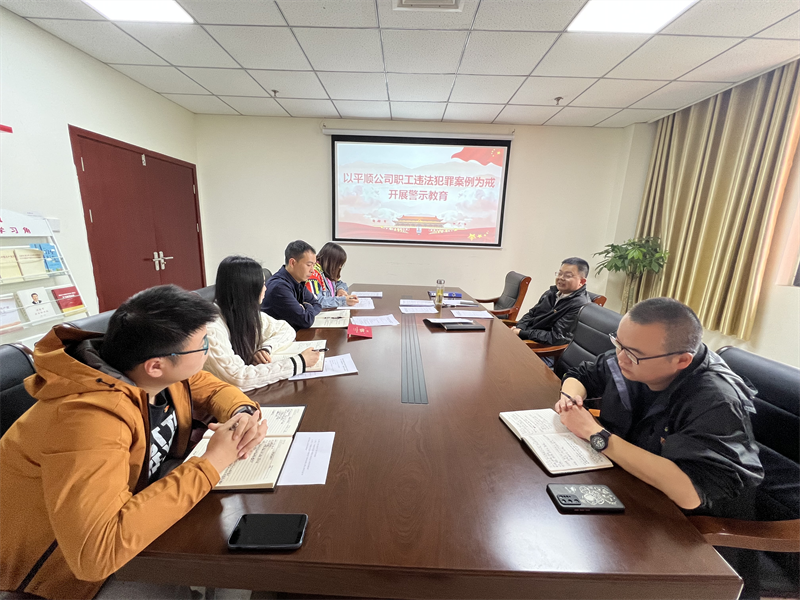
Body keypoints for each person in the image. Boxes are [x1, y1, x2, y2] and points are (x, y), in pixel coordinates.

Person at [0, 285, 268, 600]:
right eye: (203, 345)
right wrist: (212, 463)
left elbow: (210, 387)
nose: (208, 351)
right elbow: (96, 553)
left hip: (131, 509)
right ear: (156, 365)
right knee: (225, 562)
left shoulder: (153, 374)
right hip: (63, 573)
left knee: (231, 544)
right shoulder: (87, 420)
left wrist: (241, 412)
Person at [555, 297, 763, 517]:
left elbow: (691, 492)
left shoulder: (716, 401)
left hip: (680, 520)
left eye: (633, 354)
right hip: (626, 479)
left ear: (682, 361)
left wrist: (596, 434)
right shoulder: (633, 358)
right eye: (618, 344)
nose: (621, 358)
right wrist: (570, 400)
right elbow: (583, 374)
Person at [205, 255, 320, 391]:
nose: (265, 289)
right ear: (248, 290)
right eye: (262, 284)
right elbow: (238, 378)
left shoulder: (245, 313)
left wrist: (265, 348)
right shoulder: (211, 328)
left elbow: (286, 329)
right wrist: (299, 362)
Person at [510, 257, 592, 346]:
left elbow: (556, 337)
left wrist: (522, 333)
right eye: (560, 273)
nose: (561, 278)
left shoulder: (580, 305)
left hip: (540, 347)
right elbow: (531, 314)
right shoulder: (552, 292)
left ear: (582, 281)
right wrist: (519, 328)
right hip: (527, 337)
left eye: (568, 276)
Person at [261, 240, 322, 330]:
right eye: (309, 265)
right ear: (292, 263)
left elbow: (317, 304)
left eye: (314, 265)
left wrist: (305, 308)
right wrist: (308, 306)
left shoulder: (297, 281)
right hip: (279, 336)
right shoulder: (279, 287)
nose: (312, 270)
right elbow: (305, 321)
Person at [306, 242, 359, 309]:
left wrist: (340, 290)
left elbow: (340, 283)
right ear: (330, 262)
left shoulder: (327, 272)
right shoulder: (313, 275)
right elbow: (317, 302)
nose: (340, 267)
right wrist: (343, 301)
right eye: (338, 264)